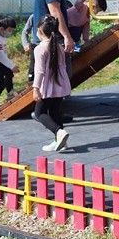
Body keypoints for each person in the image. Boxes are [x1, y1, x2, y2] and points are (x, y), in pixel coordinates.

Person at [32, 15, 71, 151]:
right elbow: (62, 66)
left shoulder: (40, 48)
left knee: (39, 113)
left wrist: (36, 88)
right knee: (54, 112)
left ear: (40, 31)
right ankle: (60, 142)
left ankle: (59, 132)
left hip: (47, 86)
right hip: (59, 84)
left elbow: (40, 71)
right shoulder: (59, 46)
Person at [21, 14, 35, 85]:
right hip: (35, 46)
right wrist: (26, 44)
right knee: (32, 68)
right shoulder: (33, 16)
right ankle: (30, 82)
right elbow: (24, 32)